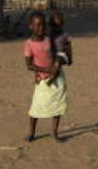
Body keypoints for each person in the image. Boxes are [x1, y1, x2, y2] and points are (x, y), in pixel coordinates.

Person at [23, 12, 67, 142]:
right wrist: (43, 70)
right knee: (36, 107)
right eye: (37, 25)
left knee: (57, 106)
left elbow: (58, 54)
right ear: (30, 26)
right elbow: (29, 65)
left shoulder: (49, 40)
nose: (40, 28)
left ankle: (55, 132)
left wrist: (57, 66)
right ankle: (32, 132)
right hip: (42, 79)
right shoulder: (29, 44)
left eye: (42, 25)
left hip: (57, 77)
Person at [47, 11, 72, 87]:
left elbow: (69, 46)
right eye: (54, 27)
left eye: (59, 26)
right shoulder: (50, 34)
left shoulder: (65, 34)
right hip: (53, 54)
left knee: (58, 62)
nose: (57, 29)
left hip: (62, 54)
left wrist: (70, 58)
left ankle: (53, 78)